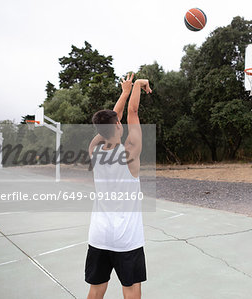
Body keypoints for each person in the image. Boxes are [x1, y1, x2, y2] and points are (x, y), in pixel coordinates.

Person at [85, 73, 152, 299]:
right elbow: (132, 113)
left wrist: (125, 92)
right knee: (131, 290)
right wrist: (136, 86)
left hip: (99, 235)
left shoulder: (93, 151)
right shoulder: (130, 152)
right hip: (126, 238)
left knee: (96, 290)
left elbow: (115, 119)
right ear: (117, 126)